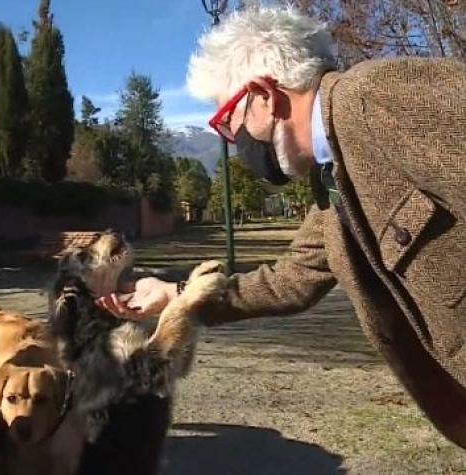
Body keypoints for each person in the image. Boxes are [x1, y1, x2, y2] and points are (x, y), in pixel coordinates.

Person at [98, 6, 466, 448]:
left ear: (264, 96)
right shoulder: (332, 183)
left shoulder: (372, 97)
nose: (234, 144)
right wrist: (179, 295)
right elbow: (290, 282)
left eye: (227, 125)